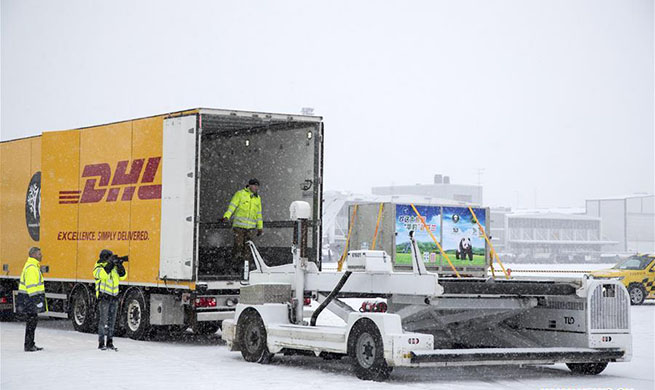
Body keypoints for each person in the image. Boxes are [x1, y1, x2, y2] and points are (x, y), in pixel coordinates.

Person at [221, 178, 263, 275]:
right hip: (239, 227)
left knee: (247, 249)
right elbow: (232, 206)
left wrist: (260, 227)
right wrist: (226, 216)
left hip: (251, 228)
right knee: (238, 245)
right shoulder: (240, 194)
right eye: (255, 185)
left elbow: (259, 214)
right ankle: (234, 265)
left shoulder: (257, 198)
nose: (256, 188)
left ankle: (245, 269)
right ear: (249, 185)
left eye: (258, 186)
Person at [93, 249, 127, 350]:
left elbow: (123, 276)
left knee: (112, 322)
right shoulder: (98, 266)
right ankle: (101, 343)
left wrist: (120, 266)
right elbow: (102, 275)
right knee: (103, 321)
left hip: (114, 297)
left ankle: (110, 342)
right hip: (104, 297)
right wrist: (110, 264)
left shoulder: (113, 267)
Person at [16, 247, 46, 352]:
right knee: (31, 323)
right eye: (39, 254)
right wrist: (37, 301)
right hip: (29, 300)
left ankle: (30, 344)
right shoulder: (32, 268)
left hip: (28, 300)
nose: (41, 256)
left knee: (32, 322)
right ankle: (29, 345)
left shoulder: (32, 266)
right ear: (33, 255)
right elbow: (31, 287)